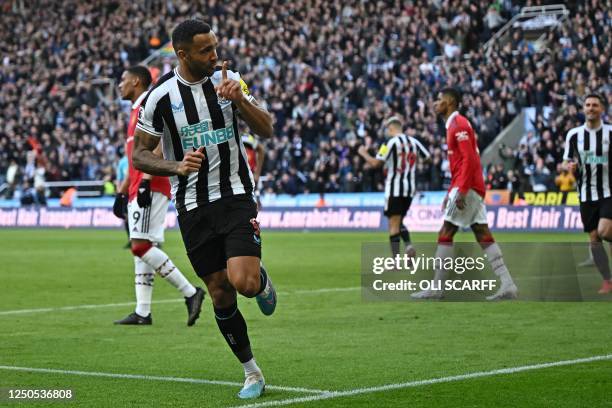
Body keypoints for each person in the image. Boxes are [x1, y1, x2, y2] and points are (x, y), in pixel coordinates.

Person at [131, 20, 277, 400]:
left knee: (243, 283)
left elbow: (267, 130)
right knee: (219, 292)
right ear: (182, 55)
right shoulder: (159, 97)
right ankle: (252, 373)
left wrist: (240, 100)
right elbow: (140, 154)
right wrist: (176, 166)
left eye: (215, 46)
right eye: (205, 51)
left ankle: (260, 280)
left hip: (235, 196)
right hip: (192, 207)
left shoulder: (230, 81)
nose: (215, 55)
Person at [113, 65, 205, 325]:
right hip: (139, 185)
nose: (120, 85)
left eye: (123, 80)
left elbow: (159, 147)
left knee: (140, 245)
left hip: (150, 186)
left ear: (137, 82)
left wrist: (145, 182)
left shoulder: (147, 107)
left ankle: (191, 292)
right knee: (141, 246)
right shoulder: (134, 111)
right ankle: (143, 311)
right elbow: (135, 158)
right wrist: (121, 193)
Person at [411, 88, 518, 300]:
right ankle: (508, 284)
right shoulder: (454, 124)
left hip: (467, 187)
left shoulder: (458, 124)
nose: (435, 103)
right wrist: (451, 190)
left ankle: (437, 287)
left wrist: (460, 190)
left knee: (446, 232)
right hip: (468, 185)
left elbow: (470, 159)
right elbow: (461, 163)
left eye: (439, 99)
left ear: (450, 102)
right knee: (481, 232)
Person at [358, 116, 430, 257]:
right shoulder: (414, 142)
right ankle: (408, 247)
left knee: (393, 225)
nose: (386, 131)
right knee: (399, 221)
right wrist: (412, 165)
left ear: (391, 128)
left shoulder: (389, 143)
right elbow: (428, 158)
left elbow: (375, 164)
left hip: (394, 189)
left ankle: (396, 261)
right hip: (409, 190)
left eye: (387, 128)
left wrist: (363, 153)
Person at [563, 94, 612, 294]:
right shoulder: (574, 135)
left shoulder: (610, 132)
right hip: (585, 194)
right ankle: (608, 280)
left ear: (602, 109)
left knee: (604, 231)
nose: (591, 108)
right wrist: (570, 167)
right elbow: (566, 161)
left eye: (595, 105)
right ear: (584, 108)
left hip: (608, 191)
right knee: (594, 240)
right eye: (588, 105)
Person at [241, 133, 265, 209]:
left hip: (250, 172)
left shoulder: (251, 149)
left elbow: (260, 150)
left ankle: (257, 200)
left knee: (255, 186)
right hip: (244, 173)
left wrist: (257, 173)